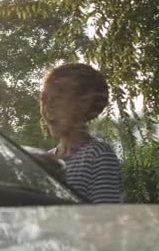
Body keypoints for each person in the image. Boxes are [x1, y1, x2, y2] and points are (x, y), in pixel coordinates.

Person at [36, 63, 123, 203]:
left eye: (57, 97)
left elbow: (105, 218)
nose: (48, 107)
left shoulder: (98, 155)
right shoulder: (47, 160)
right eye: (43, 99)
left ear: (84, 103)